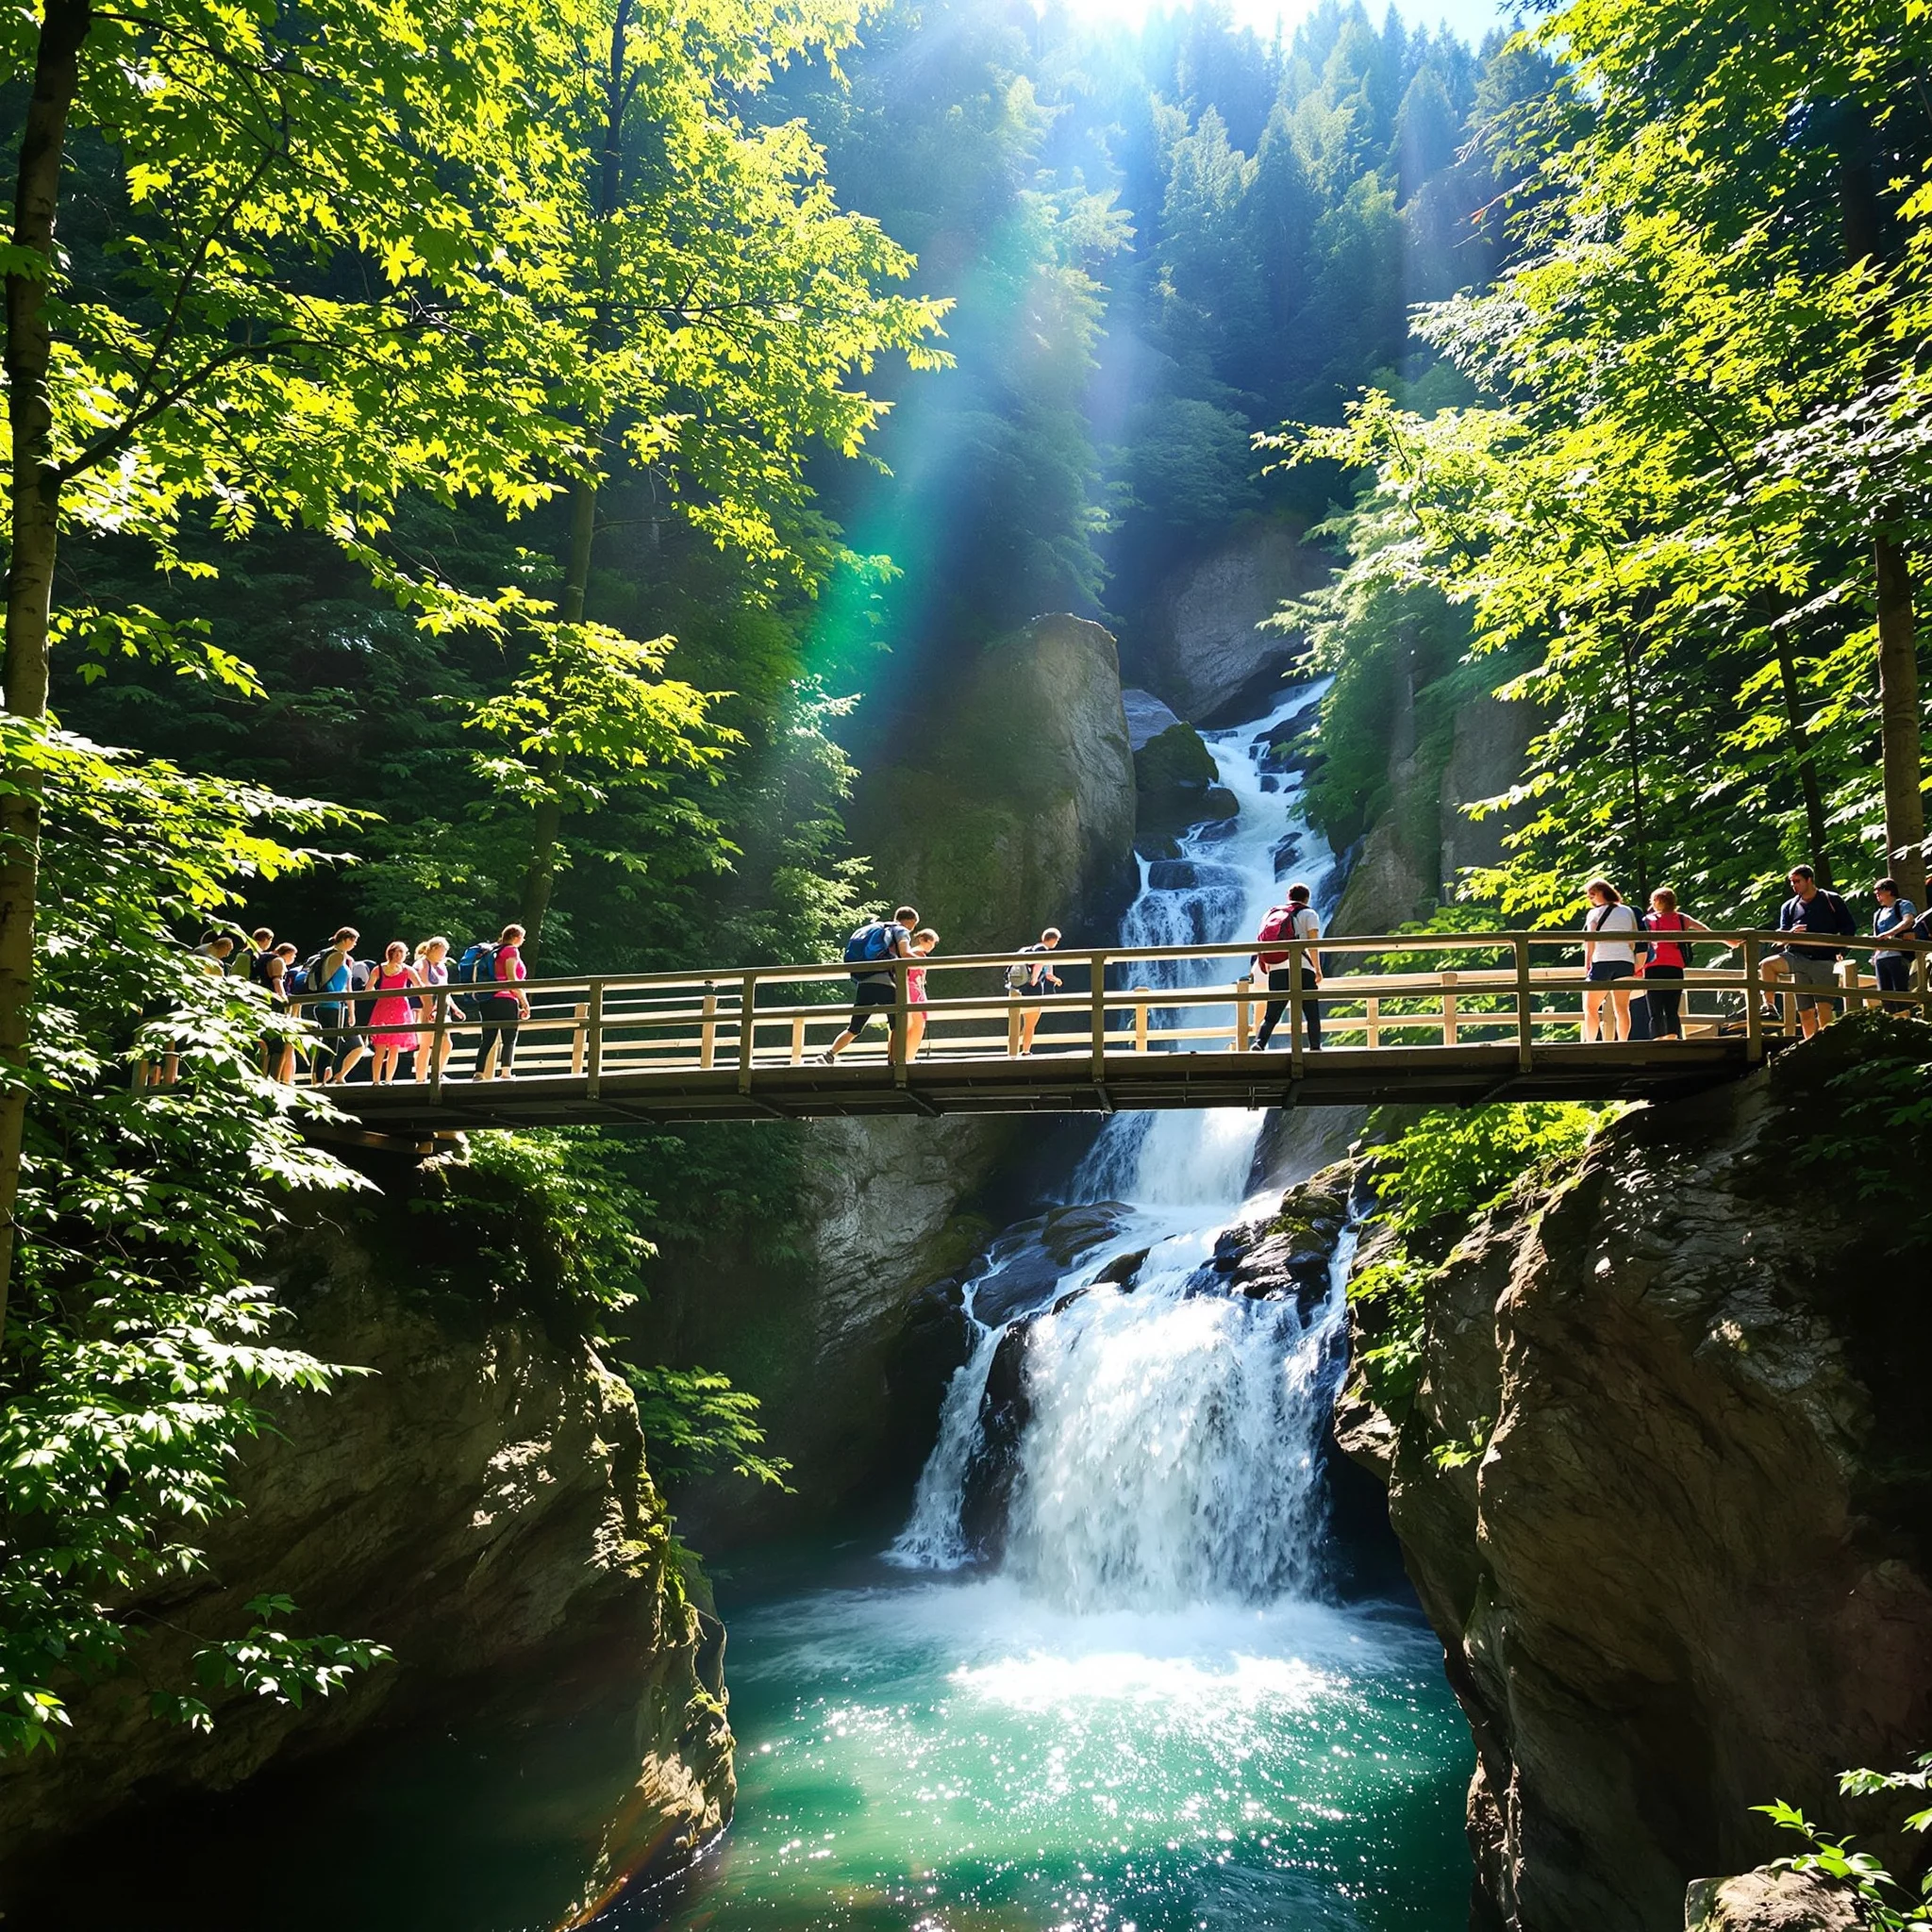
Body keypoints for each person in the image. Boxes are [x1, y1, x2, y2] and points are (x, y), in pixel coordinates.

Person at [1762, 864, 1855, 1040]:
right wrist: (1791, 934)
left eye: (1797, 881)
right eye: (1791, 882)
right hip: (1797, 957)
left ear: (1809, 880)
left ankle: (1826, 1046)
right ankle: (1769, 1007)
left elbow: (1849, 927)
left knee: (1824, 1009)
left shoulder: (1831, 899)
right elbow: (1781, 936)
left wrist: (1842, 950)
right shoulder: (1789, 906)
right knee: (1804, 1011)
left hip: (1824, 959)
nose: (1794, 885)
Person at [822, 907, 919, 1062]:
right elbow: (906, 954)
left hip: (865, 982)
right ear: (909, 921)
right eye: (913, 926)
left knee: (854, 1028)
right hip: (886, 983)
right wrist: (924, 963)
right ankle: (894, 1062)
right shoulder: (901, 930)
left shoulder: (877, 928)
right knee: (899, 1023)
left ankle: (829, 1054)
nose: (912, 930)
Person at [1254, 886, 1322, 1050]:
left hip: (1277, 967)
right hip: (1302, 967)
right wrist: (1318, 970)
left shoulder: (1271, 914)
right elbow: (1314, 944)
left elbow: (1262, 942)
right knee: (1311, 1011)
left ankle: (1259, 1043)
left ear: (1288, 897)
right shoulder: (1309, 914)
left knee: (1272, 1013)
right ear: (1307, 898)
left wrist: (1267, 965)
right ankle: (1315, 1047)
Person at [1640, 888, 1709, 1041]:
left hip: (1653, 965)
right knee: (1672, 1007)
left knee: (1655, 1008)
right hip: (1675, 966)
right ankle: (1672, 1036)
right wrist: (1728, 941)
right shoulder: (1682, 918)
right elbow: (1703, 930)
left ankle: (1657, 1038)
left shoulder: (1648, 920)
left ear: (1657, 901)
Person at [305, 927, 370, 1084]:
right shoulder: (335, 955)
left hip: (340, 1007)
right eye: (353, 941)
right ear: (346, 939)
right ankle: (319, 1079)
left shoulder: (345, 958)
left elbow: (348, 988)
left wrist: (351, 1012)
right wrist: (336, 997)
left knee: (351, 1044)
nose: (355, 944)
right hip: (328, 1006)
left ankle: (334, 1075)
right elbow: (326, 981)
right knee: (329, 1043)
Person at [1581, 879, 1641, 1042]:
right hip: (1625, 961)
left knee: (1590, 1006)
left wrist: (1588, 962)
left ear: (1600, 893)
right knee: (1622, 1007)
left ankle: (1591, 1042)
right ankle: (1623, 1042)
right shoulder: (1628, 911)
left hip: (1602, 961)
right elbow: (1633, 938)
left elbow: (1590, 939)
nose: (1590, 899)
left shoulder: (1594, 913)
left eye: (1591, 895)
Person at [470, 923, 528, 1079]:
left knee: (487, 1038)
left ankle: (478, 1072)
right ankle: (506, 1072)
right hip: (506, 998)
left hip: (487, 998)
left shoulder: (494, 950)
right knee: (509, 1037)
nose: (523, 941)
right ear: (516, 937)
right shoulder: (511, 950)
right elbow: (512, 979)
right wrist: (524, 1001)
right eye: (522, 938)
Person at [367, 941, 423, 1084]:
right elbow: (368, 988)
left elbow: (420, 986)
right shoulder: (379, 969)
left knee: (394, 1048)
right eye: (396, 952)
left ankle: (389, 1080)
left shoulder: (407, 970)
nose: (398, 956)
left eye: (401, 953)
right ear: (390, 953)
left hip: (401, 1009)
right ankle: (375, 1080)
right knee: (379, 1047)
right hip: (383, 1008)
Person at [1008, 926, 1063, 1057]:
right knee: (1030, 1025)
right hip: (1032, 990)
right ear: (1054, 940)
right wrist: (1034, 980)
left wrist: (1056, 979)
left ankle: (1011, 1052)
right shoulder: (1045, 952)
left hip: (1016, 988)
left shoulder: (1027, 949)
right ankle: (1025, 1052)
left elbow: (1048, 974)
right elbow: (1038, 967)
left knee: (1014, 1023)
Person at [1871, 877, 1919, 1004]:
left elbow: (1908, 921)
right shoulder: (1878, 913)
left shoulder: (1903, 905)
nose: (1877, 896)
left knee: (1901, 993)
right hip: (1881, 958)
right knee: (1885, 995)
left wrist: (1890, 934)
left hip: (1898, 955)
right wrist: (1875, 955)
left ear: (1889, 891)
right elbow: (1877, 934)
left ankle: (1905, 1019)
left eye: (1879, 893)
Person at [414, 937, 454, 1080]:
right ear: (434, 949)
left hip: (442, 1009)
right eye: (443, 950)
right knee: (425, 1045)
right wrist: (430, 1009)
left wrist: (455, 1008)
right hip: (426, 1008)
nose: (444, 954)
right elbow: (423, 987)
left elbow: (446, 989)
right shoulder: (422, 964)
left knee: (446, 1043)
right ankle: (421, 1078)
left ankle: (438, 1074)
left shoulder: (442, 967)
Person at [260, 947, 296, 1083]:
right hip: (275, 1006)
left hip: (265, 1004)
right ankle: (275, 1079)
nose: (293, 959)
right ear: (285, 953)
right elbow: (277, 981)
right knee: (278, 1044)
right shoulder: (277, 961)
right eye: (293, 955)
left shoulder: (264, 960)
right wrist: (283, 999)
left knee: (268, 1043)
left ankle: (265, 1076)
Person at [903, 927, 940, 1059]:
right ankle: (909, 1057)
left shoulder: (912, 953)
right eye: (931, 942)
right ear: (922, 940)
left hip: (915, 991)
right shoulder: (917, 954)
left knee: (913, 1024)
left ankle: (907, 1056)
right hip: (914, 991)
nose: (932, 946)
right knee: (917, 1025)